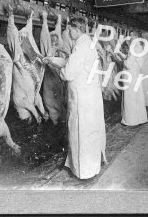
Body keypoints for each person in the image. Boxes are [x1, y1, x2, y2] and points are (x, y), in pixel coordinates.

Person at [44, 17, 106, 179]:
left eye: (70, 29)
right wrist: (53, 60)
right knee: (90, 132)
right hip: (90, 95)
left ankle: (82, 171)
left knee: (80, 132)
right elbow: (72, 62)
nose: (68, 31)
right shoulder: (87, 43)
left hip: (81, 98)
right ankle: (89, 166)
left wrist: (56, 69)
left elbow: (68, 72)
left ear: (77, 30)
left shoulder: (80, 46)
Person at [120, 31, 148, 126]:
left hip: (130, 75)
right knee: (136, 97)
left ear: (136, 36)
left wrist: (121, 58)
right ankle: (139, 118)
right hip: (135, 75)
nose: (130, 37)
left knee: (130, 98)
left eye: (131, 35)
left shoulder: (134, 47)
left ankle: (130, 120)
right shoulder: (138, 46)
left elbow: (128, 64)